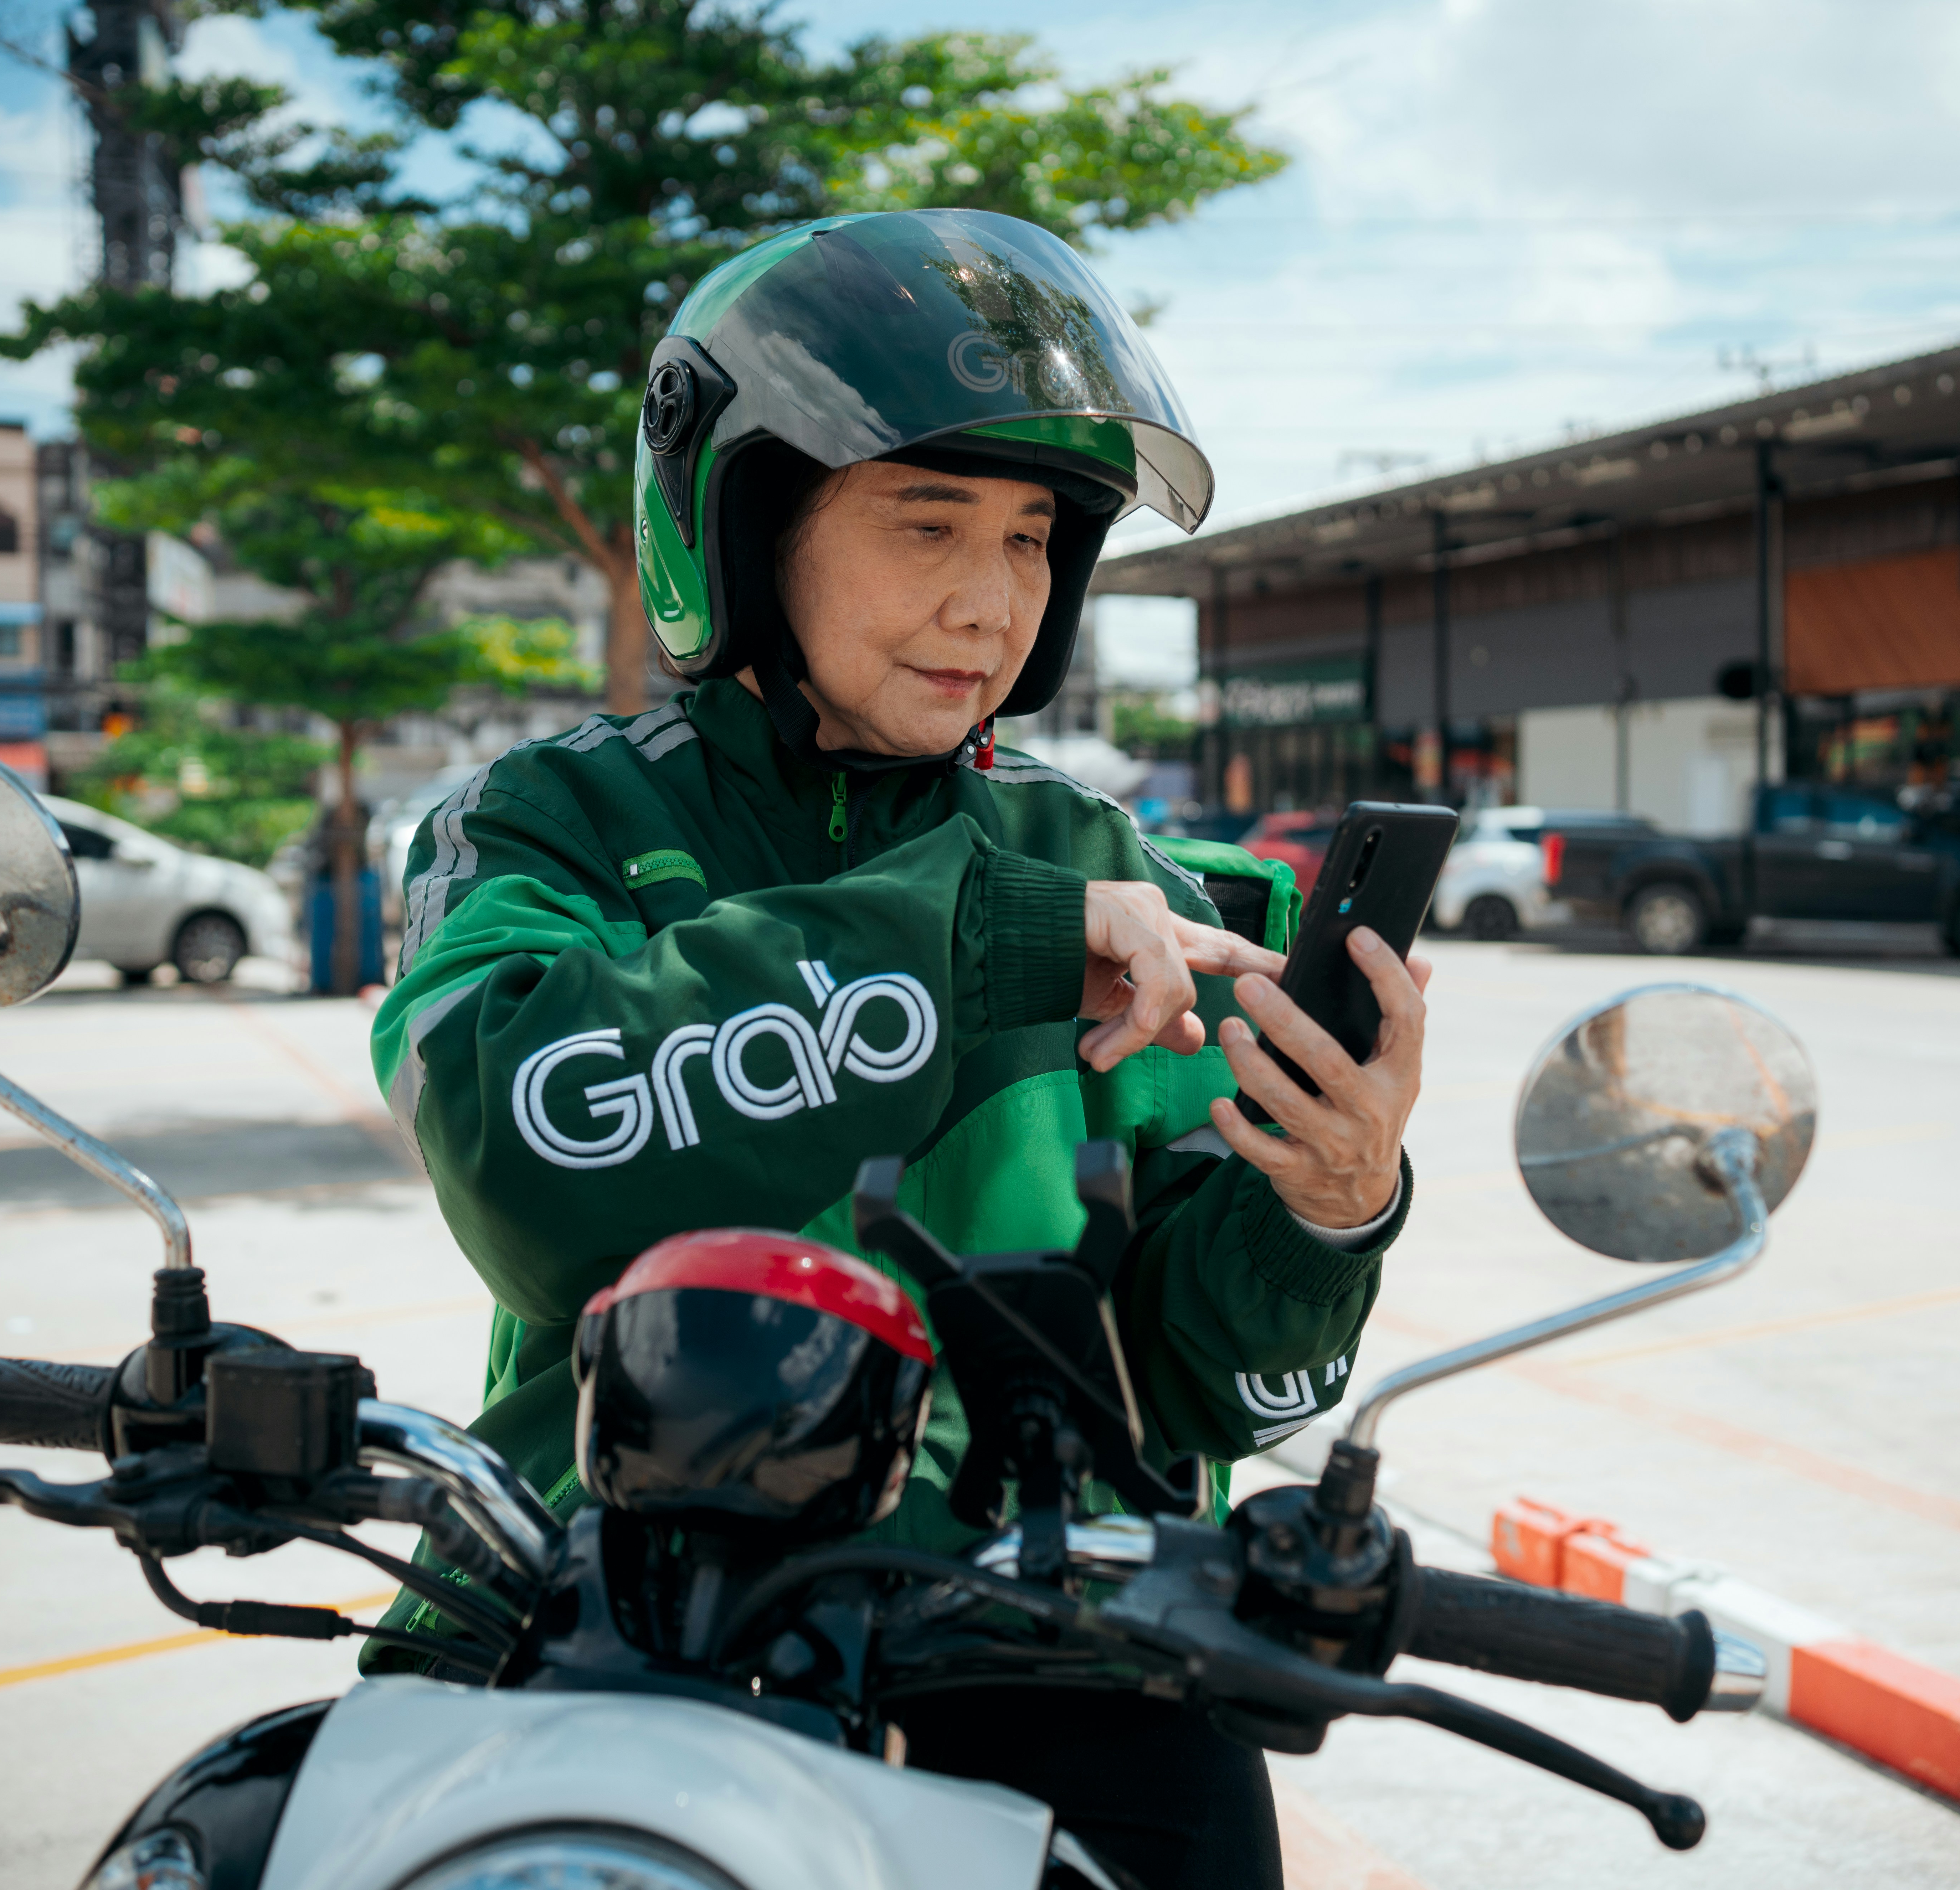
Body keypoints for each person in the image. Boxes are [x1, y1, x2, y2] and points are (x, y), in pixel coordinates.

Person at [370, 208, 1429, 1889]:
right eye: (927, 521)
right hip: (608, 1591)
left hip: (1048, 1629)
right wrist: (976, 938)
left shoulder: (1146, 888)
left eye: (1030, 543)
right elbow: (523, 1154)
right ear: (747, 521)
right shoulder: (555, 823)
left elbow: (1212, 1391)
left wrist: (1323, 1208)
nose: (986, 600)